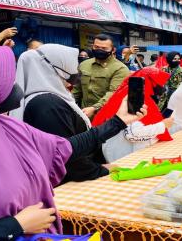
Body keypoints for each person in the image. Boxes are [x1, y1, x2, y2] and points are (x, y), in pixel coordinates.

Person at [0, 41, 146, 239]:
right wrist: (15, 225)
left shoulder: (6, 126)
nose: (12, 86)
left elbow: (64, 148)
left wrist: (119, 121)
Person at [10, 44, 113, 183]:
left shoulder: (46, 99)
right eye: (73, 67)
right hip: (67, 185)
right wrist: (101, 169)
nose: (76, 73)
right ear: (56, 69)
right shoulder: (47, 105)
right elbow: (65, 156)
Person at [93, 67, 174, 162]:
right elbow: (133, 133)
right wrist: (162, 125)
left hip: (117, 149)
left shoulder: (126, 92)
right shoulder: (136, 98)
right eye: (159, 83)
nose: (162, 87)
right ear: (149, 82)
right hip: (124, 155)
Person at [73, 34, 130, 119]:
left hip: (106, 117)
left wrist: (94, 108)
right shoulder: (84, 65)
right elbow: (77, 89)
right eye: (96, 47)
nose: (99, 50)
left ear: (113, 50)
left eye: (104, 48)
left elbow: (114, 93)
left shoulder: (120, 69)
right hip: (83, 114)